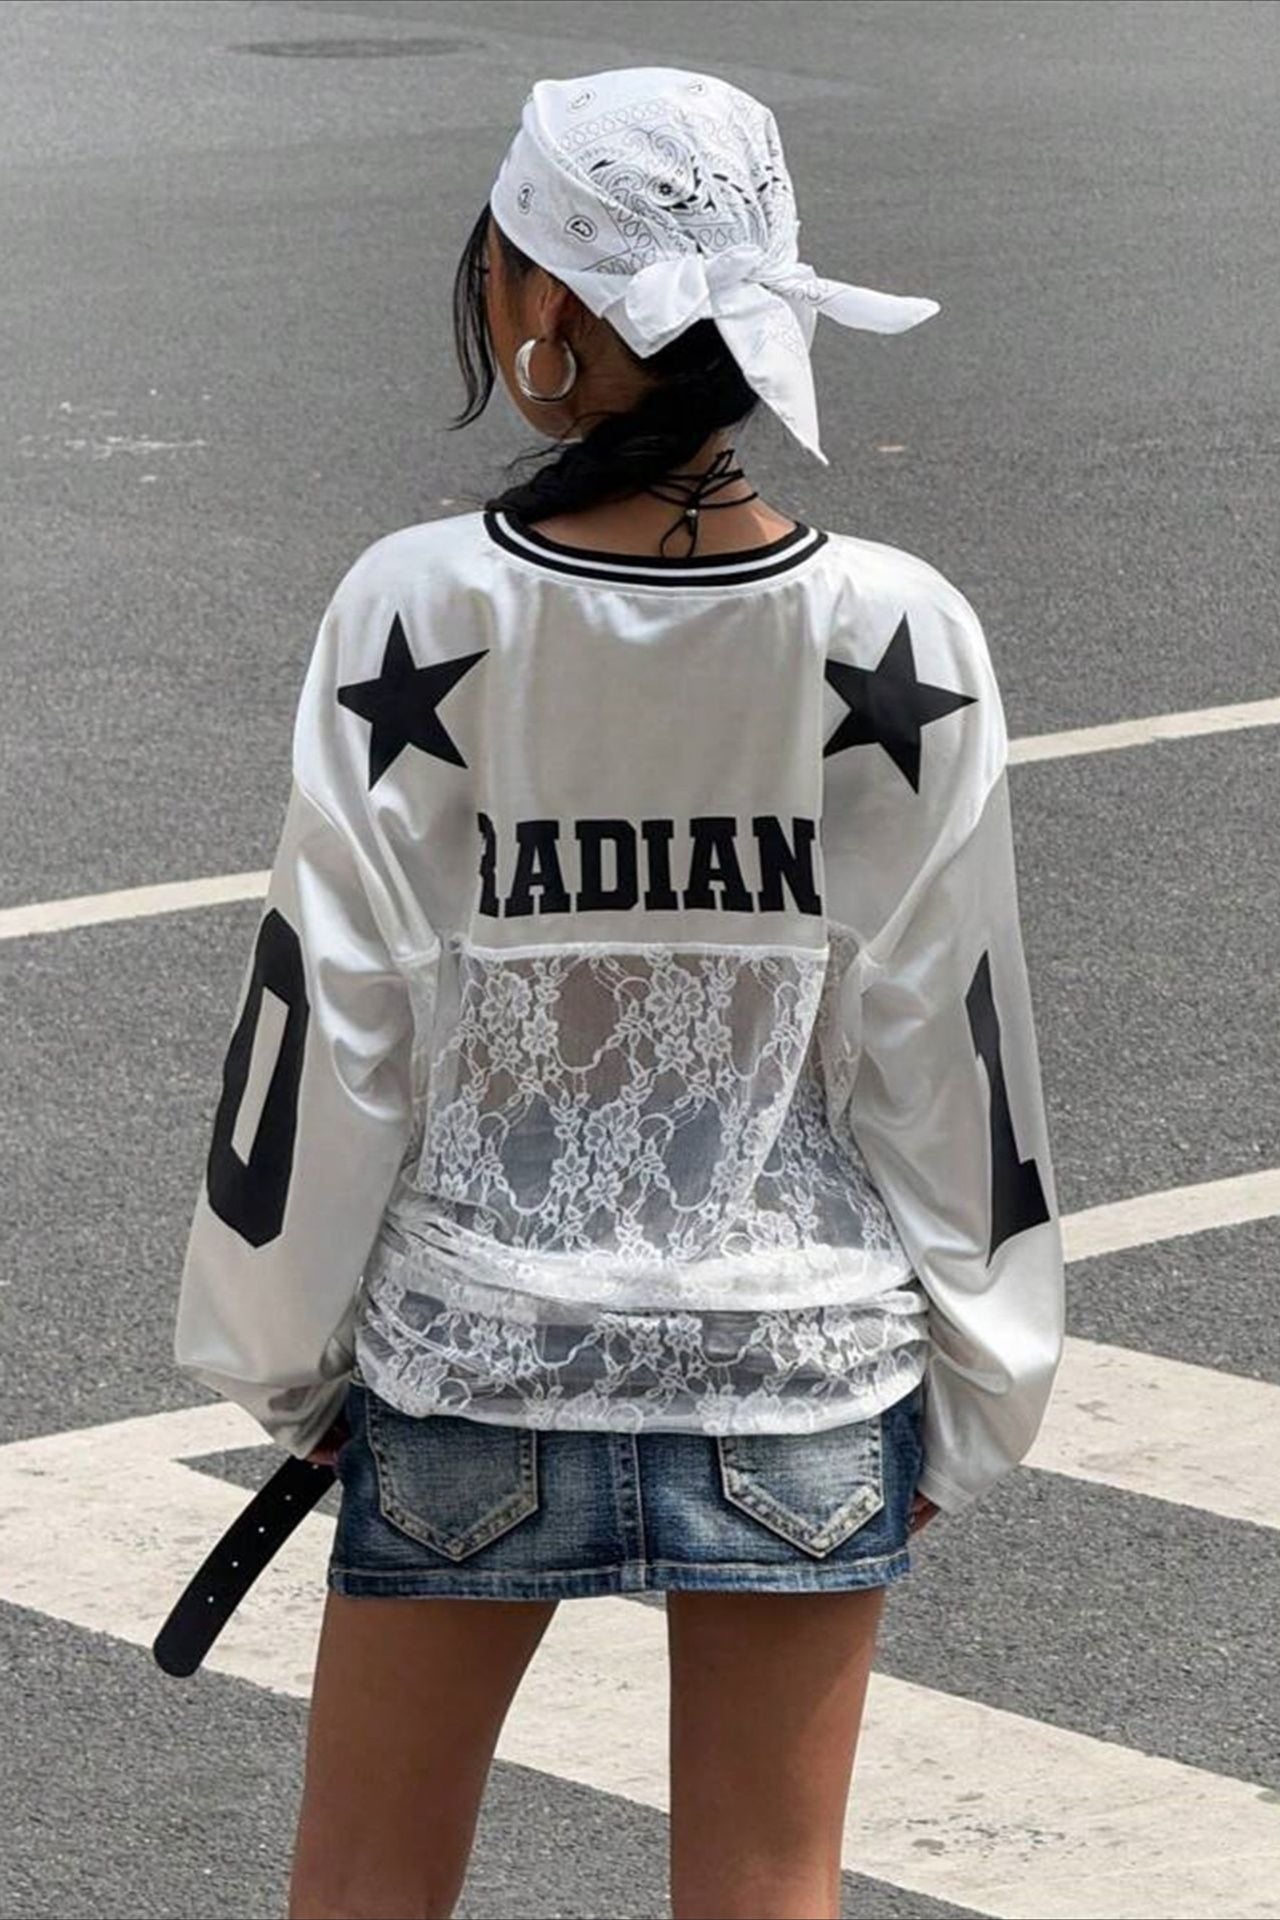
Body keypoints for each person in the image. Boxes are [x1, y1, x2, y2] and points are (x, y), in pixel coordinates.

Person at [172, 66, 1065, 1920]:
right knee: (765, 1889)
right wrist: (982, 1396)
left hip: (472, 1348)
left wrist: (283, 1360)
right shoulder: (899, 631)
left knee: (365, 1888)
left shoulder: (419, 612)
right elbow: (950, 1041)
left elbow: (332, 1022)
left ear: (548, 310)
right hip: (802, 1361)